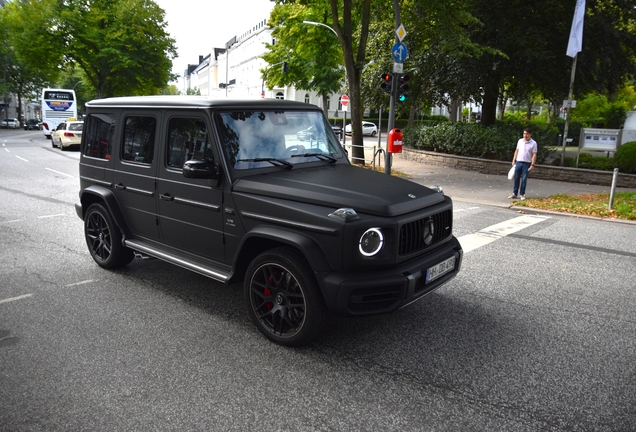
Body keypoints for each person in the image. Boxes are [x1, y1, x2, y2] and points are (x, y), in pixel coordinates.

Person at [508, 127, 538, 200]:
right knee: (516, 178)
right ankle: (514, 193)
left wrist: (532, 164)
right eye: (524, 133)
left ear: (530, 134)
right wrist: (513, 160)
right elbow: (517, 150)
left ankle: (522, 194)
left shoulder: (533, 143)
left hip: (526, 163)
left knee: (524, 179)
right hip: (518, 162)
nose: (525, 135)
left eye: (527, 134)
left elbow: (534, 154)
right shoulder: (520, 141)